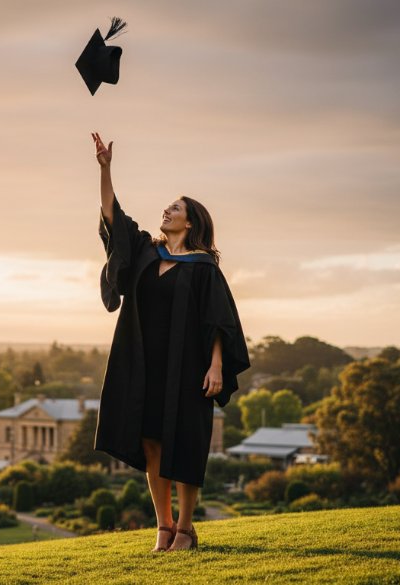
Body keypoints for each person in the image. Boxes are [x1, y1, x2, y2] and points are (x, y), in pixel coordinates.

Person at [91, 131, 251, 552]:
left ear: (191, 222)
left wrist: (216, 366)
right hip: (144, 362)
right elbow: (113, 219)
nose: (167, 210)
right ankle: (163, 527)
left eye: (175, 208)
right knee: (151, 443)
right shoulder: (147, 251)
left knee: (185, 442)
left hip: (188, 367)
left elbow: (218, 321)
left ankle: (185, 527)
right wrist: (106, 170)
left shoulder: (204, 269)